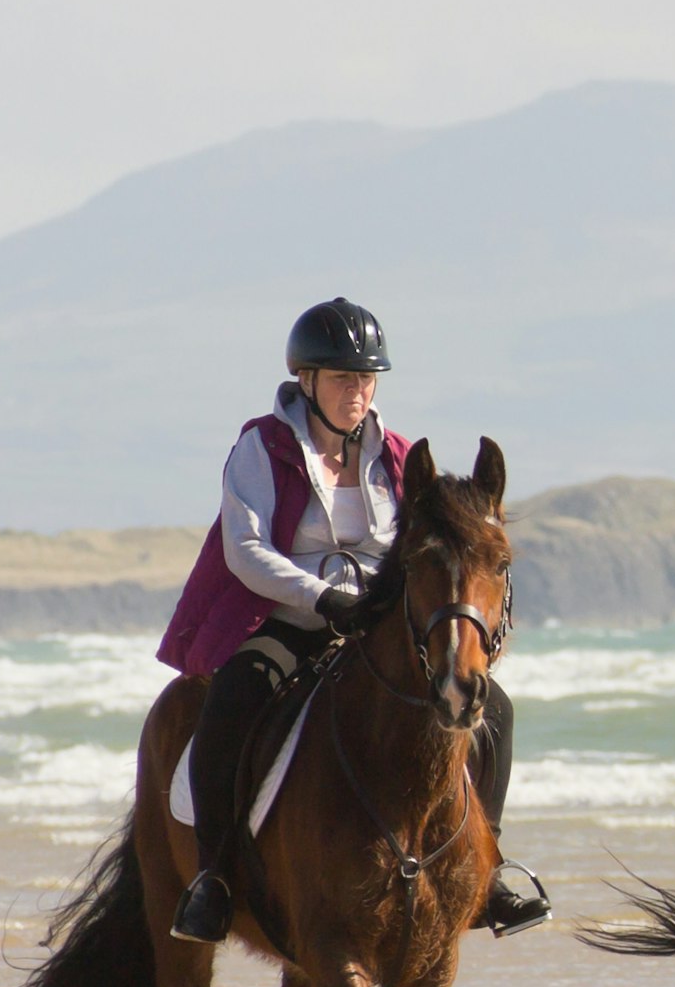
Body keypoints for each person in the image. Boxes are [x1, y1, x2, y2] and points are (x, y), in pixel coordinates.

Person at [152, 297, 546, 945]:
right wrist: (321, 597)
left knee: (493, 709)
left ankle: (490, 871)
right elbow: (245, 551)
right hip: (286, 616)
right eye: (342, 379)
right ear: (306, 381)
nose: (356, 392)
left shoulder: (395, 455)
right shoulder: (264, 447)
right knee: (231, 698)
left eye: (365, 380)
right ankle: (216, 878)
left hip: (373, 624)